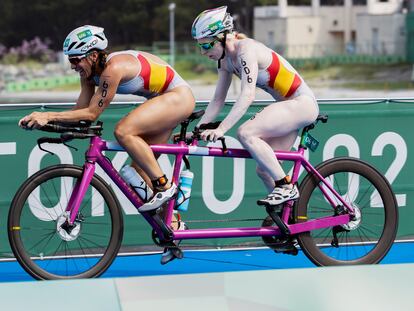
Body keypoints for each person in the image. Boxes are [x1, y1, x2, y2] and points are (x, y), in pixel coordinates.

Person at [18, 25, 195, 214]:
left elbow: (92, 113)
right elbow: (80, 111)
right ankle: (173, 225)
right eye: (70, 60)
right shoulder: (88, 74)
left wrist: (47, 115)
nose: (72, 65)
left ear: (93, 56)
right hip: (160, 101)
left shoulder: (114, 69)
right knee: (138, 173)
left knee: (123, 131)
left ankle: (164, 186)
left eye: (75, 59)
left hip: (178, 97)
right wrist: (45, 124)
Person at [191, 7, 319, 206]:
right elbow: (217, 100)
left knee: (246, 133)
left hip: (301, 103)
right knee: (264, 169)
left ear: (223, 37)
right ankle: (289, 220)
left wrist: (222, 128)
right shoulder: (225, 62)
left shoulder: (246, 50)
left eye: (207, 45)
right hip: (289, 106)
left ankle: (286, 186)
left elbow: (247, 94)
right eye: (199, 46)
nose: (203, 52)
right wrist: (198, 130)